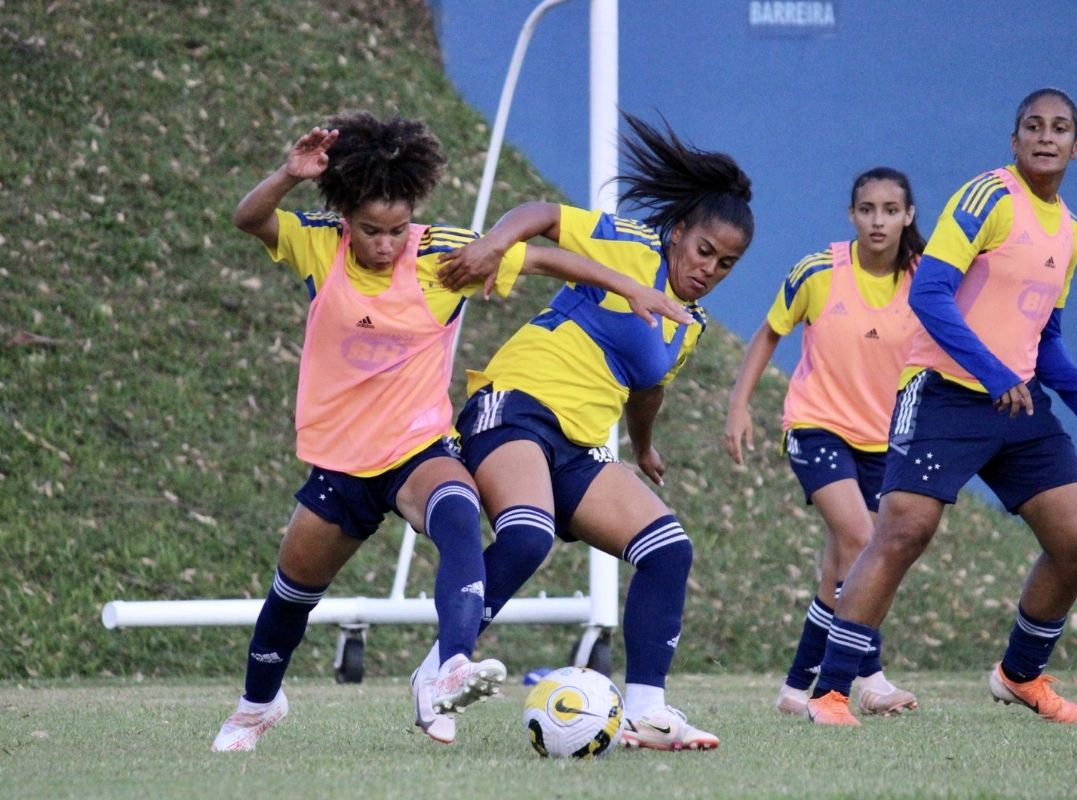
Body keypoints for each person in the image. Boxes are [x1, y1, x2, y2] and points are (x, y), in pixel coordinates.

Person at [212, 111, 690, 751]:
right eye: (371, 231)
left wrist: (631, 287)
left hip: (418, 448)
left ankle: (450, 667)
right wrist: (288, 175)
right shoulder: (318, 244)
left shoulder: (440, 255)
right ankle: (256, 705)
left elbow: (549, 259)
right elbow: (248, 219)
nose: (386, 244)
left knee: (459, 509)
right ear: (345, 217)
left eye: (397, 229)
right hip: (342, 460)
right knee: (293, 595)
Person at [430, 111, 754, 751]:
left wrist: (644, 446)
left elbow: (648, 386)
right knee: (527, 534)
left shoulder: (688, 324)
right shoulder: (630, 246)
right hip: (515, 406)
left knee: (668, 548)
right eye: (704, 251)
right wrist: (497, 242)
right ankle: (442, 670)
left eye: (727, 264)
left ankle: (646, 711)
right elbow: (543, 213)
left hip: (578, 448)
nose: (710, 269)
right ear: (679, 231)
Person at [805, 88, 1077, 726]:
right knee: (901, 533)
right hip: (945, 393)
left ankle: (1020, 675)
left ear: (1076, 146)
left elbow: (1045, 339)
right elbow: (930, 292)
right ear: (1014, 140)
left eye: (1060, 128)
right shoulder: (989, 198)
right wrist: (993, 371)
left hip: (1017, 402)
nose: (1045, 136)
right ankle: (831, 692)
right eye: (1032, 126)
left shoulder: (1072, 232)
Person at [724, 167, 924, 718]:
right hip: (817, 427)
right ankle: (872, 678)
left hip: (885, 442)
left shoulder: (925, 279)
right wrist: (739, 406)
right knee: (863, 539)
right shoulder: (818, 271)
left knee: (841, 569)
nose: (877, 220)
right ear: (851, 215)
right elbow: (769, 332)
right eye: (866, 209)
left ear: (908, 215)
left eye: (889, 209)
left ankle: (794, 688)